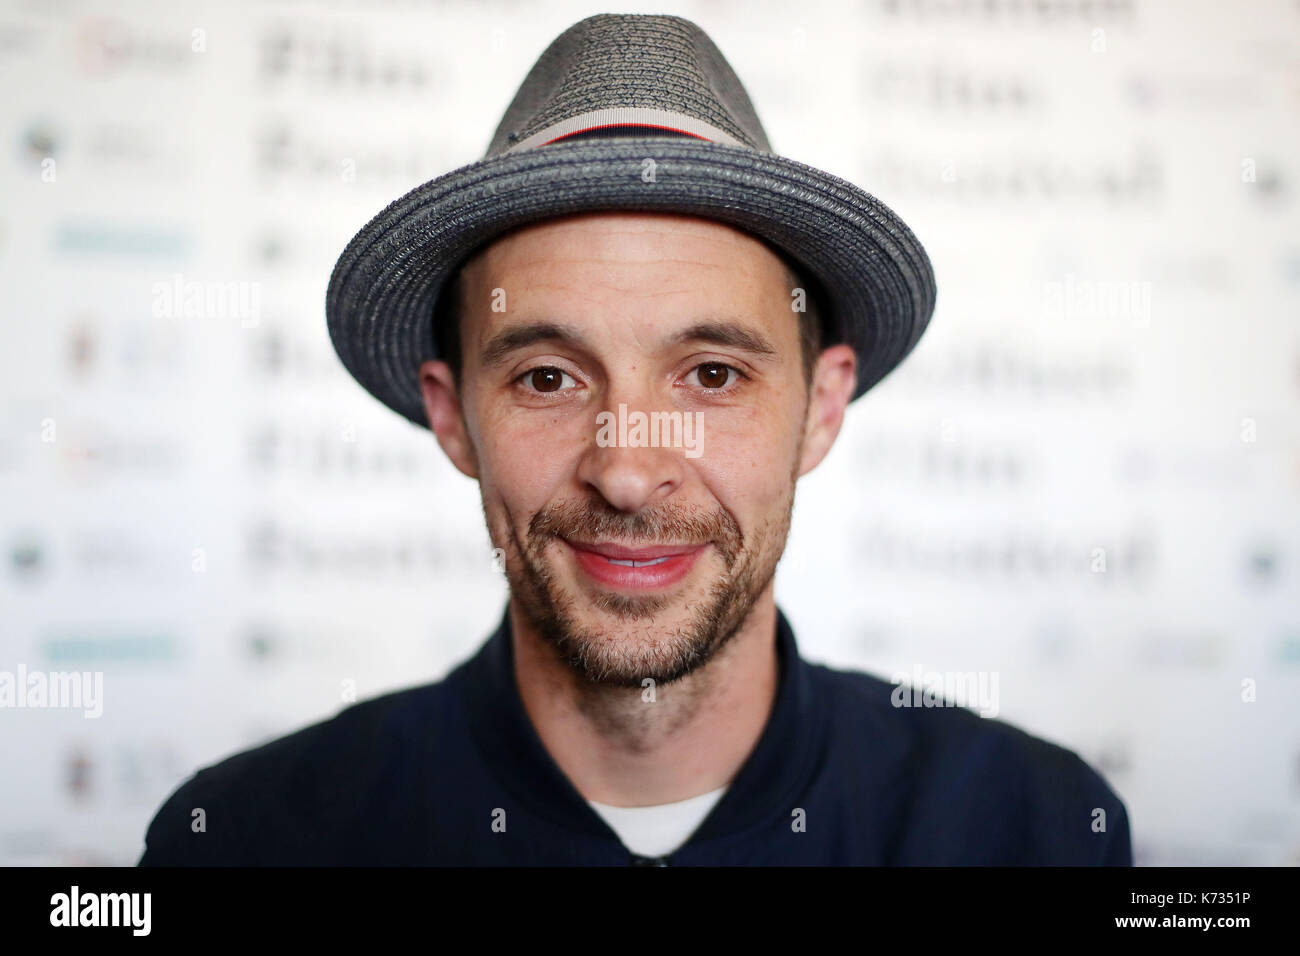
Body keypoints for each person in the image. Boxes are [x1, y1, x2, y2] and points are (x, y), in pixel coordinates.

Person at [139, 13, 1131, 865]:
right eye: (546, 377)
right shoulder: (246, 840)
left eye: (711, 373)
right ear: (451, 417)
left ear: (822, 408)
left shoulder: (1027, 828)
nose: (624, 467)